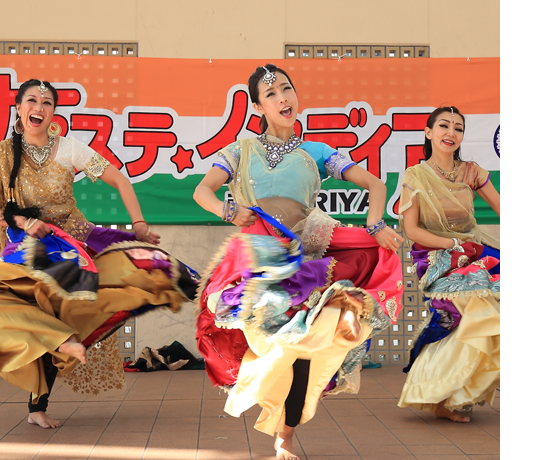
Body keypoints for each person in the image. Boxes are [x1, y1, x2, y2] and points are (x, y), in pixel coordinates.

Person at [194, 64, 404, 460]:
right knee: (277, 342)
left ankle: (285, 434)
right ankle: (276, 415)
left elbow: (375, 184)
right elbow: (202, 191)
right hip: (260, 253)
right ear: (258, 106)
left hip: (308, 249)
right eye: (271, 94)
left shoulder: (317, 152)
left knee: (304, 342)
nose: (283, 98)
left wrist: (375, 224)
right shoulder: (240, 150)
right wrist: (229, 210)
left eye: (287, 89)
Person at [0, 79, 198, 429]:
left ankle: (217, 297)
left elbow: (120, 180)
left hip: (76, 244)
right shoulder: (4, 155)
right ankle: (40, 395)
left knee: (144, 268)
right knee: (32, 317)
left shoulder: (70, 149)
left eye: (47, 102)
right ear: (18, 108)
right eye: (32, 100)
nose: (39, 107)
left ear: (53, 113)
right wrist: (22, 222)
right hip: (28, 251)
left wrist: (137, 223)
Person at [397, 106, 500, 423]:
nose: (451, 133)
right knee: (475, 313)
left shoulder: (472, 172)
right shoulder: (415, 175)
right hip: (435, 256)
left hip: (473, 253)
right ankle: (441, 393)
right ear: (428, 133)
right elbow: (411, 230)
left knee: (483, 320)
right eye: (443, 125)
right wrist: (451, 244)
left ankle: (452, 395)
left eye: (458, 128)